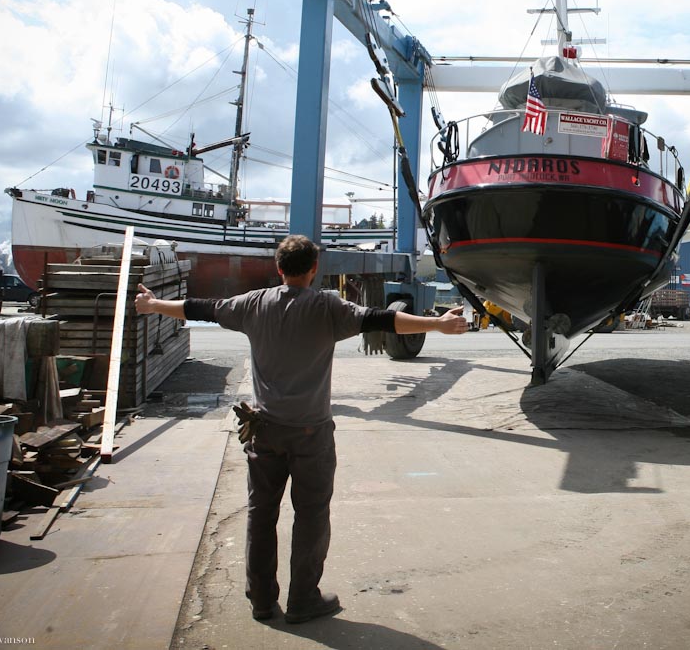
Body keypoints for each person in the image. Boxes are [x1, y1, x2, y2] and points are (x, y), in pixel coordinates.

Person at [134, 234, 469, 625]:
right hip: (311, 434)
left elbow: (199, 308)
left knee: (261, 514)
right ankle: (303, 600)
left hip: (263, 431)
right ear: (314, 269)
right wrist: (438, 324)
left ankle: (262, 600)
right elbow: (382, 319)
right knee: (311, 516)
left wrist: (153, 305)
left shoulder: (253, 304)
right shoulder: (328, 307)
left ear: (279, 268)